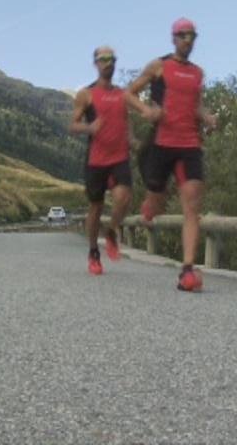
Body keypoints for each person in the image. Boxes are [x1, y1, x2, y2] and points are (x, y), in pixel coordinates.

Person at [127, 17, 217, 292]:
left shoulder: (197, 73)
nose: (188, 40)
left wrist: (207, 117)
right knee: (155, 205)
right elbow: (128, 93)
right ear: (173, 37)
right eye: (183, 35)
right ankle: (149, 206)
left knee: (191, 209)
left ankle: (187, 271)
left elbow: (195, 106)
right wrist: (145, 110)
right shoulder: (158, 66)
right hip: (161, 145)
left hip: (189, 145)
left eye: (192, 35)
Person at [69, 45, 161, 275]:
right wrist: (89, 127)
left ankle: (111, 231)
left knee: (123, 198)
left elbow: (126, 120)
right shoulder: (86, 94)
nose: (109, 62)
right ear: (96, 63)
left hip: (119, 157)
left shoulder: (122, 94)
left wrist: (132, 140)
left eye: (112, 59)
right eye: (104, 58)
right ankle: (93, 252)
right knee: (95, 208)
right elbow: (72, 124)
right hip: (96, 160)